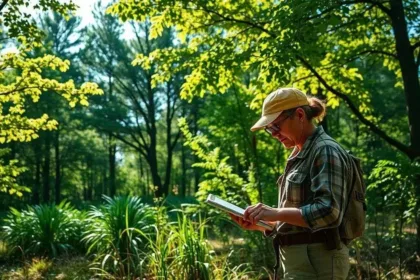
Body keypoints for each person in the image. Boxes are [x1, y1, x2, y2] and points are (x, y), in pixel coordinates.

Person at [230, 88, 352, 280]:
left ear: (300, 115)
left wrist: (275, 212)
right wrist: (264, 224)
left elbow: (329, 212)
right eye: (269, 129)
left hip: (318, 262)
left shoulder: (325, 150)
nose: (273, 134)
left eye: (276, 126)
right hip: (298, 262)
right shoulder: (298, 153)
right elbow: (298, 220)